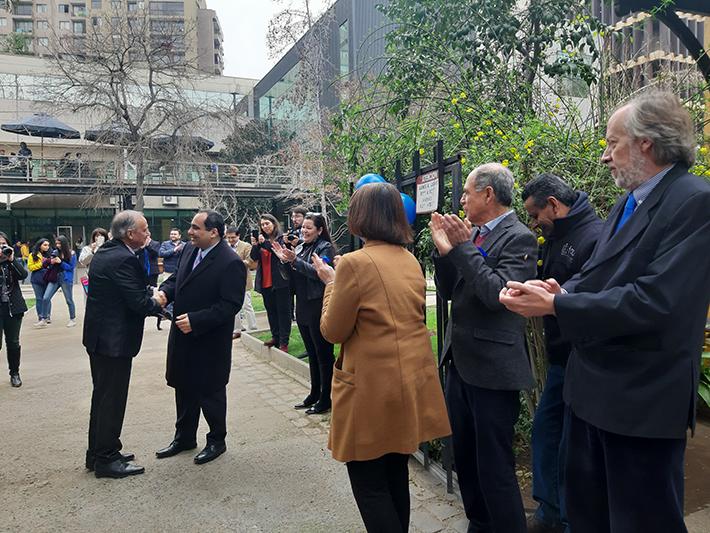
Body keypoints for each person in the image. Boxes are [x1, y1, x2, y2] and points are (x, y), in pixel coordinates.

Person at [499, 91, 710, 533]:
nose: (604, 157)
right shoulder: (629, 201)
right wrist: (558, 288)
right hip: (592, 393)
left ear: (646, 143)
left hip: (640, 403)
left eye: (612, 144)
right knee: (589, 513)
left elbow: (656, 301)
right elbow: (598, 275)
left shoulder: (694, 200)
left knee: (642, 520)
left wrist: (558, 304)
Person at [312, 182, 451, 533]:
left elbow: (333, 331)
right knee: (394, 475)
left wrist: (330, 283)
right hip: (405, 386)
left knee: (369, 483)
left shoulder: (354, 264)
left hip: (370, 389)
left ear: (360, 217)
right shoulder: (409, 260)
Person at [430, 162, 537, 533]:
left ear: (488, 194)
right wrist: (444, 252)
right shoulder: (470, 234)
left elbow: (498, 295)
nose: (461, 199)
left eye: (467, 193)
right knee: (465, 456)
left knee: (494, 464)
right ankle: (479, 521)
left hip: (494, 368)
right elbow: (448, 291)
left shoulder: (519, 237)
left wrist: (461, 248)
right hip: (460, 362)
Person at [520, 174, 603, 533]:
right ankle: (550, 510)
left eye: (536, 214)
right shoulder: (557, 235)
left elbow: (594, 295)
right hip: (559, 357)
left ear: (554, 204)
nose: (534, 223)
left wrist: (559, 297)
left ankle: (570, 518)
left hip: (581, 359)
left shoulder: (594, 235)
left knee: (573, 447)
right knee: (546, 431)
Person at [155, 210, 246, 465]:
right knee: (183, 388)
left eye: (196, 228)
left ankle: (217, 440)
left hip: (208, 339)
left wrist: (197, 320)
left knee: (210, 391)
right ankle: (184, 438)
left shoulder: (230, 262)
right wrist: (164, 293)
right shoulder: (189, 250)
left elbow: (231, 304)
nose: (190, 232)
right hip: (182, 335)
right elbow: (177, 279)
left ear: (214, 232)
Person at [83, 210, 166, 478]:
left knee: (102, 396)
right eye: (144, 230)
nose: (147, 234)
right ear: (130, 234)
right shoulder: (123, 260)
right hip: (113, 341)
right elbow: (139, 303)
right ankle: (106, 460)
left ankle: (98, 452)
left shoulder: (106, 252)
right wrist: (159, 302)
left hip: (100, 337)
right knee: (112, 400)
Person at [273, 213, 335, 415]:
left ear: (319, 230)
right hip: (302, 305)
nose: (304, 231)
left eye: (309, 228)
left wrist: (295, 262)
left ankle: (326, 397)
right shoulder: (300, 248)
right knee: (312, 352)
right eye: (303, 228)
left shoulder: (325, 247)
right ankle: (314, 393)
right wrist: (285, 262)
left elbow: (320, 273)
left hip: (318, 304)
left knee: (323, 353)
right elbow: (291, 277)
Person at [250, 214, 290, 351]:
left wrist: (263, 243)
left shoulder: (282, 239)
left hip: (281, 281)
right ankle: (276, 337)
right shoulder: (261, 240)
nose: (265, 226)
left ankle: (284, 342)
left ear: (274, 223)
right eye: (262, 225)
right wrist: (255, 245)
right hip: (265, 281)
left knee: (283, 312)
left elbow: (277, 253)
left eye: (267, 223)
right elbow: (253, 258)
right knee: (271, 311)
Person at [0, 231, 28, 388]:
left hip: (13, 308)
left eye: (3, 244)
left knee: (13, 342)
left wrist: (11, 260)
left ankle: (15, 373)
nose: (1, 248)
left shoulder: (11, 261)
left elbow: (23, 274)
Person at [225, 227, 257, 338]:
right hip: (229, 281)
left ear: (238, 236)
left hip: (243, 280)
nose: (230, 240)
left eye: (233, 237)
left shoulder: (246, 246)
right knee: (234, 307)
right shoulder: (224, 246)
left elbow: (251, 262)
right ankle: (237, 329)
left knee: (247, 305)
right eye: (228, 237)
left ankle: (252, 328)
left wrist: (236, 262)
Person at [41, 235, 77, 328]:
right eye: (56, 243)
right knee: (45, 297)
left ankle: (72, 319)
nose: (57, 245)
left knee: (69, 300)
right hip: (54, 277)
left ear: (64, 243)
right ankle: (44, 318)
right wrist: (51, 261)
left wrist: (61, 262)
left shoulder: (72, 254)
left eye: (59, 243)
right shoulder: (55, 252)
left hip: (65, 278)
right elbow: (46, 264)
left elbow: (71, 268)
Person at [28, 238, 52, 326]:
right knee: (39, 298)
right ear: (40, 245)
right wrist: (42, 264)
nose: (47, 247)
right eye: (45, 245)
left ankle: (47, 316)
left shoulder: (51, 254)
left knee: (47, 298)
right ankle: (40, 316)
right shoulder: (32, 255)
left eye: (48, 245)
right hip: (37, 279)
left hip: (48, 278)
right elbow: (30, 267)